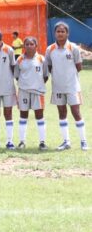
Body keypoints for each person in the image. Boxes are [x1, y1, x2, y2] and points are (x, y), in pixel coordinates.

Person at [45, 22, 86, 151]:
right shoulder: (50, 49)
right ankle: (66, 141)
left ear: (67, 33)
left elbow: (79, 67)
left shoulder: (73, 48)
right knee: (62, 113)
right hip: (57, 87)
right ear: (54, 33)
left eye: (63, 31)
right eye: (58, 31)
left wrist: (68, 77)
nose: (60, 33)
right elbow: (49, 67)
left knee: (76, 112)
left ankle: (83, 141)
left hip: (72, 87)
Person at [14, 37, 49, 150]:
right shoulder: (19, 59)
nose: (29, 46)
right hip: (23, 91)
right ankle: (22, 142)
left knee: (39, 116)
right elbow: (17, 76)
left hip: (38, 92)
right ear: (24, 46)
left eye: (31, 44)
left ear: (36, 46)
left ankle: (42, 142)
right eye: (27, 44)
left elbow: (45, 76)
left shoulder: (41, 59)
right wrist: (26, 84)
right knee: (23, 116)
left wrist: (37, 84)